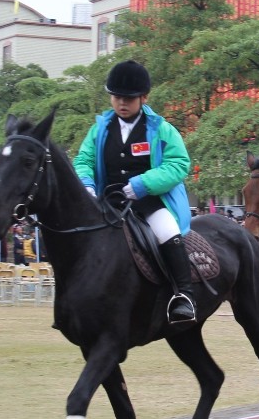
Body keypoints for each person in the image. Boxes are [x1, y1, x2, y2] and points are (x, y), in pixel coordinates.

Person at [74, 59, 196, 324]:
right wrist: (86, 184)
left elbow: (178, 164)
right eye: (117, 97)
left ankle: (183, 296)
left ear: (144, 97)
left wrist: (142, 185)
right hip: (107, 201)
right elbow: (83, 159)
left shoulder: (161, 129)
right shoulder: (99, 130)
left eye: (128, 98)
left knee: (167, 231)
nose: (122, 103)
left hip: (148, 201)